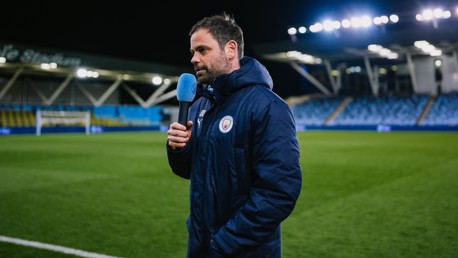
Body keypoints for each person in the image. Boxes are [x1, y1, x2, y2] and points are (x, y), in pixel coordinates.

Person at [166, 12, 302, 258]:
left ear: (230, 49)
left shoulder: (268, 106)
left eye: (202, 50)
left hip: (242, 250)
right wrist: (179, 150)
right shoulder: (200, 106)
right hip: (200, 245)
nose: (194, 59)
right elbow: (189, 171)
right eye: (192, 52)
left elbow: (279, 191)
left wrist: (226, 243)